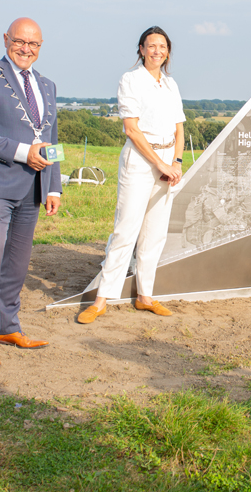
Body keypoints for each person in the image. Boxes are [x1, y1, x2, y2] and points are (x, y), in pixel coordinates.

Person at [0, 17, 61, 370]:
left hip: (33, 187)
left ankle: (7, 327)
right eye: (20, 41)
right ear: (6, 39)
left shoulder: (47, 86)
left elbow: (52, 139)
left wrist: (54, 185)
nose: (26, 49)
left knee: (17, 264)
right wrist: (23, 152)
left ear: (40, 47)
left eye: (33, 44)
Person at [77, 26, 186, 324]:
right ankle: (102, 299)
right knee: (126, 230)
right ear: (141, 49)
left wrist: (175, 162)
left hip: (168, 161)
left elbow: (179, 128)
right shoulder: (131, 80)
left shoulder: (171, 84)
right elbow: (131, 129)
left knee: (155, 232)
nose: (157, 51)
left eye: (162, 47)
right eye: (151, 46)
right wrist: (159, 164)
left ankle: (145, 296)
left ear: (168, 51)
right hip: (140, 161)